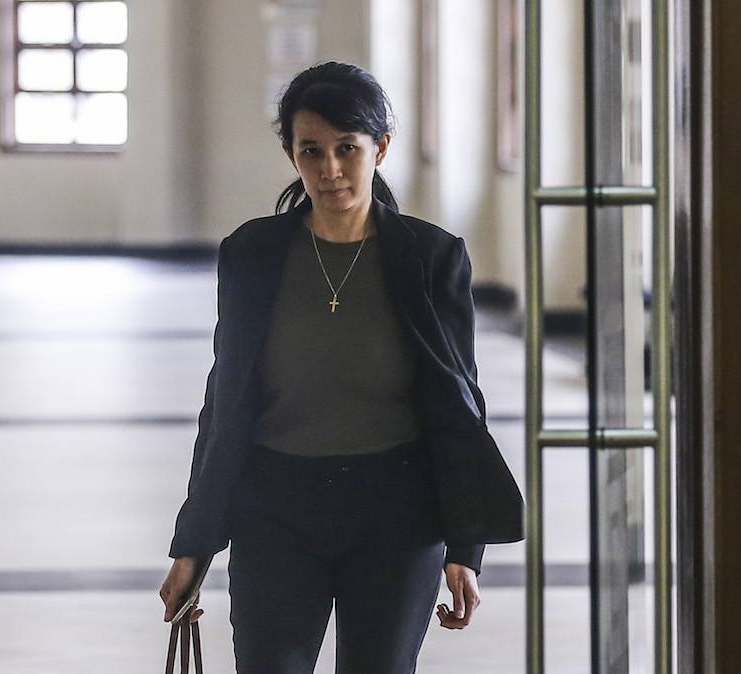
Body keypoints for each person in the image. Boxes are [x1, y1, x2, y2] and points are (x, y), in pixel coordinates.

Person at [159, 61, 525, 674]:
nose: (329, 169)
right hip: (276, 512)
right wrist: (194, 545)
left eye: (347, 149)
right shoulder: (252, 254)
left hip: (396, 516)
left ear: (380, 148)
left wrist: (466, 546)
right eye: (312, 151)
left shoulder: (431, 257)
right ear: (290, 153)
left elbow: (459, 404)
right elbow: (224, 403)